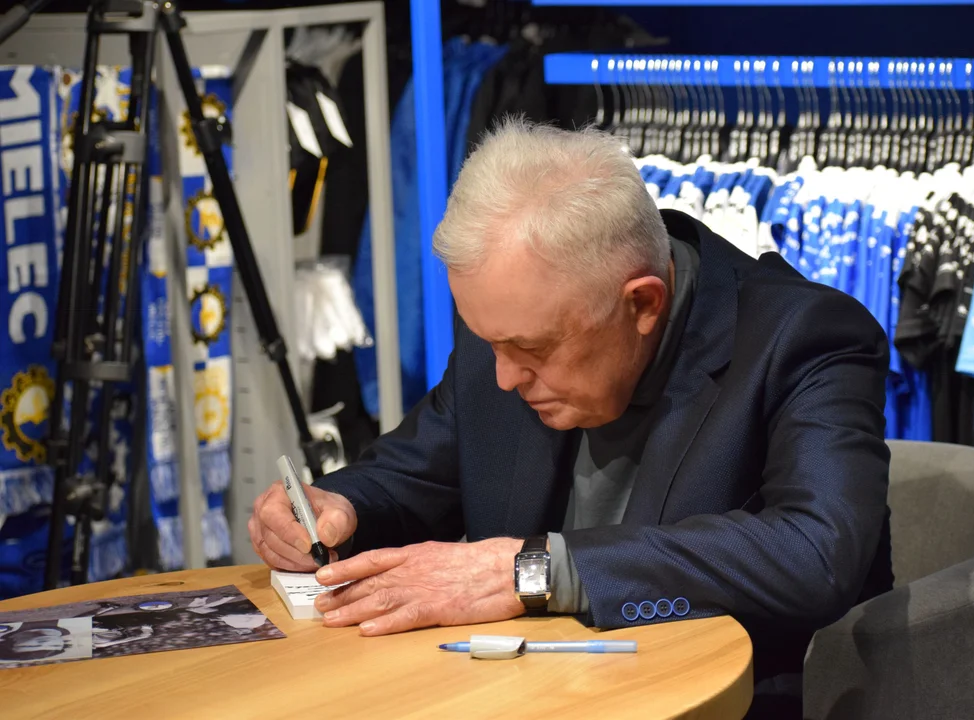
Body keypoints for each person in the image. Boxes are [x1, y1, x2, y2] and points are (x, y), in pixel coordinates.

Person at [248, 118, 892, 715]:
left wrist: (533, 571)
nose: (504, 376)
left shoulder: (803, 337)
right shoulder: (513, 324)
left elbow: (816, 551)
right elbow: (412, 473)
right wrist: (335, 507)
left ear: (643, 304)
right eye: (490, 343)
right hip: (523, 696)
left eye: (530, 349)